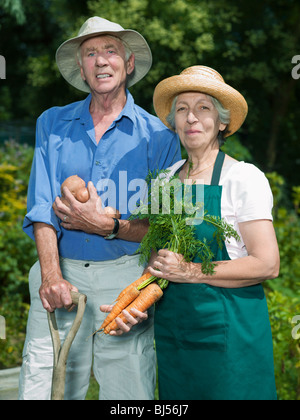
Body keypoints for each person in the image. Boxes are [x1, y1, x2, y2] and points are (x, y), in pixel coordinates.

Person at [18, 16, 181, 400]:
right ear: (81, 68)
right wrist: (51, 276)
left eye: (110, 51)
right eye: (90, 53)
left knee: (130, 395)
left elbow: (164, 227)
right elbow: (42, 207)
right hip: (60, 272)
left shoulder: (159, 135)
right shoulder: (53, 123)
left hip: (124, 279)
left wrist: (109, 229)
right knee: (42, 386)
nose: (101, 61)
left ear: (128, 64)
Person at [145, 65, 279, 400]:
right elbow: (156, 259)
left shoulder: (243, 178)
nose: (191, 118)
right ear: (173, 122)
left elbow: (266, 264)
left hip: (229, 337)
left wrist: (189, 271)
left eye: (203, 108)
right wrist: (135, 301)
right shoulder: (165, 181)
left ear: (221, 122)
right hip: (175, 336)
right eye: (182, 109)